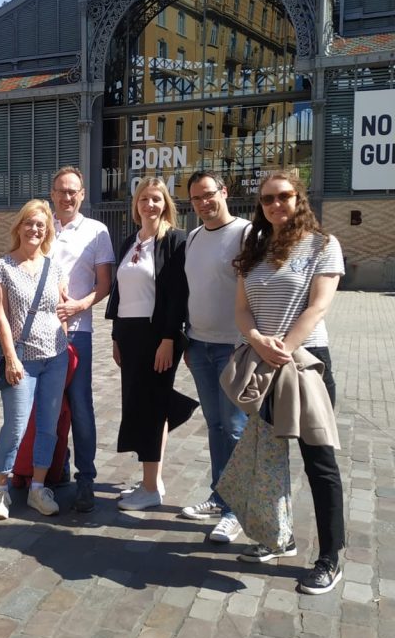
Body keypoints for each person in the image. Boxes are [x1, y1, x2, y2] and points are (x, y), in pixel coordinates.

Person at [233, 170, 345, 594]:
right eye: (266, 199)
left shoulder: (322, 245)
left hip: (305, 364)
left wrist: (282, 350)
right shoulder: (255, 248)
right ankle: (276, 535)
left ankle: (330, 557)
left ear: (299, 199)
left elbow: (318, 307)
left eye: (283, 196)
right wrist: (258, 340)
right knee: (266, 456)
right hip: (264, 361)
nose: (275, 205)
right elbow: (242, 309)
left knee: (319, 463)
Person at [105, 176, 197, 511]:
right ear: (136, 205)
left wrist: (169, 338)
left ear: (166, 204)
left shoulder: (175, 241)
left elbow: (177, 294)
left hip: (157, 335)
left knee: (151, 406)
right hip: (129, 336)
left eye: (156, 198)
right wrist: (115, 335)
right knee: (139, 403)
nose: (150, 205)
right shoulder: (130, 240)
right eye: (144, 198)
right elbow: (119, 292)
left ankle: (150, 488)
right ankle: (151, 479)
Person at [180, 171, 250, 545]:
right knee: (216, 426)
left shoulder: (246, 233)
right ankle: (220, 494)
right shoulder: (192, 237)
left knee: (235, 427)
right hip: (200, 345)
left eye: (209, 194)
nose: (204, 203)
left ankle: (235, 510)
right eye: (196, 198)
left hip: (234, 347)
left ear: (224, 192)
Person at [0, 200, 69, 520]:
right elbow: (0, 316)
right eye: (29, 223)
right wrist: (10, 358)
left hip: (55, 358)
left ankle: (37, 487)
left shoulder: (55, 267)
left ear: (47, 230)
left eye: (41, 225)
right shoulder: (3, 267)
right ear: (19, 226)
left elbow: (61, 310)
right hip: (22, 359)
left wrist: (64, 343)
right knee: (16, 425)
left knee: (48, 427)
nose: (34, 229)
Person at [50, 166, 115, 512]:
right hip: (41, 336)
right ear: (52, 193)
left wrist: (80, 305)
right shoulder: (41, 227)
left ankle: (85, 478)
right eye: (61, 190)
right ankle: (55, 466)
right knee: (47, 407)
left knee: (80, 408)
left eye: (73, 191)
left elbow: (104, 284)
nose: (67, 196)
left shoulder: (96, 231)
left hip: (78, 334)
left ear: (82, 194)